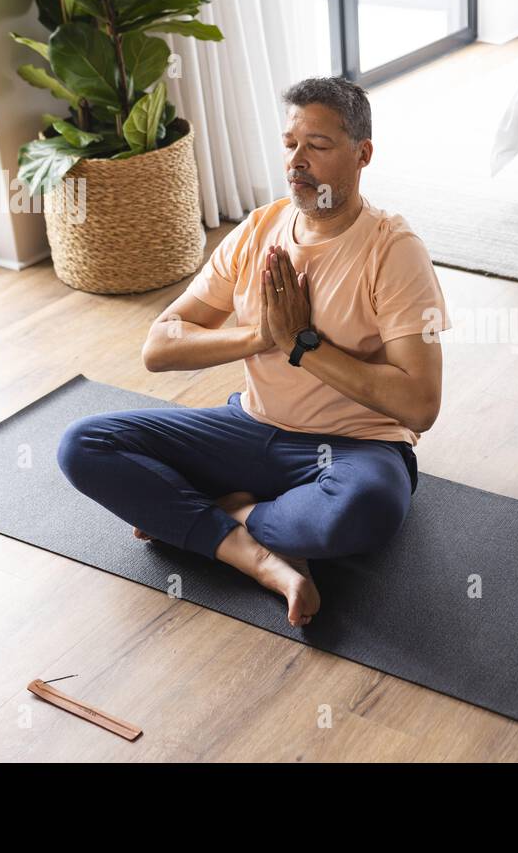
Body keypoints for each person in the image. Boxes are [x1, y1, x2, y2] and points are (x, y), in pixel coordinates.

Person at [57, 76, 450, 628]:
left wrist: (302, 346)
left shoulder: (394, 250)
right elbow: (160, 345)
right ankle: (257, 556)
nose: (297, 161)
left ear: (362, 154)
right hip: (251, 427)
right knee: (83, 444)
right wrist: (261, 338)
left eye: (317, 145)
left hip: (355, 448)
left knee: (370, 509)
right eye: (290, 144)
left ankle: (230, 509)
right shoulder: (260, 228)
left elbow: (420, 406)